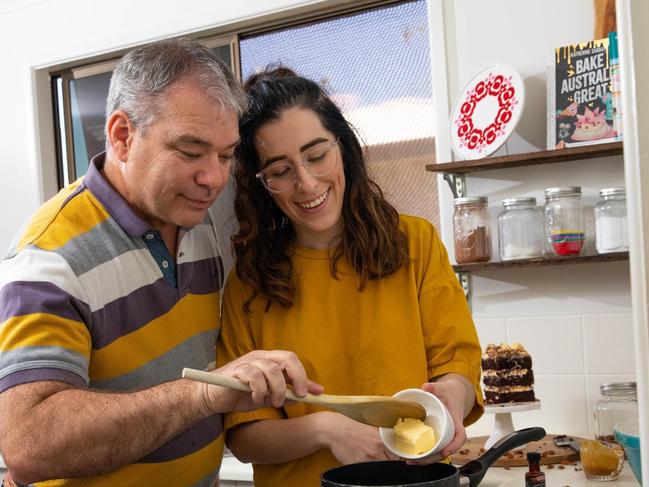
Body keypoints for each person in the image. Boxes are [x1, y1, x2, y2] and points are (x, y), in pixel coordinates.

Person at [0, 40, 322, 487]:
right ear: (121, 136)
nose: (212, 178)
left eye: (225, 155)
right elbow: (30, 442)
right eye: (190, 152)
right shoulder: (49, 259)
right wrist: (204, 393)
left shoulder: (198, 216)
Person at [216, 68, 485, 487]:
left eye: (317, 154)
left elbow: (457, 363)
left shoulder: (415, 243)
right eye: (280, 170)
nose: (306, 183)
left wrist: (452, 394)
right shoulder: (249, 283)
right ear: (260, 184)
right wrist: (327, 429)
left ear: (343, 147)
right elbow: (247, 436)